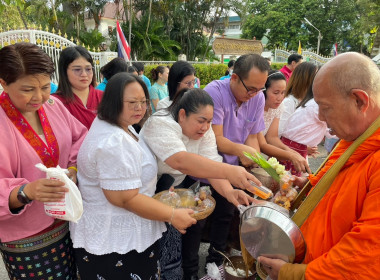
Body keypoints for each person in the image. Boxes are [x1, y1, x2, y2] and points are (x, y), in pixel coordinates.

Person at [259, 52, 380, 279]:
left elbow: (366, 254)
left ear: (360, 100)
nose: (322, 118)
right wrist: (309, 187)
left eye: (326, 107)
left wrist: (293, 273)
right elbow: (341, 188)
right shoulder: (355, 139)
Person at [70, 73, 196, 280]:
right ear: (113, 102)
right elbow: (124, 198)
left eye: (143, 102)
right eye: (131, 102)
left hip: (124, 232)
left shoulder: (122, 126)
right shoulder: (114, 140)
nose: (139, 107)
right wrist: (171, 214)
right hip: (115, 241)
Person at [142, 88, 258, 280]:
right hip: (143, 194)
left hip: (170, 196)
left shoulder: (205, 133)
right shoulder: (161, 123)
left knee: (170, 254)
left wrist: (230, 193)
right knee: (147, 251)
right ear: (182, 115)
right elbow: (180, 160)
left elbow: (212, 167)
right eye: (201, 121)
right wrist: (231, 171)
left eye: (209, 122)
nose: (205, 127)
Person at [0, 42, 87, 280]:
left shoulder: (53, 105)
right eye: (27, 89)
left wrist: (72, 168)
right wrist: (25, 191)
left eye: (46, 86)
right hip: (28, 238)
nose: (38, 97)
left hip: (67, 220)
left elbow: (80, 137)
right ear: (4, 83)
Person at [204, 54, 273, 267]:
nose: (254, 95)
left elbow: (252, 136)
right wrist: (242, 150)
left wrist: (253, 160)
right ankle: (194, 262)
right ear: (234, 78)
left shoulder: (257, 98)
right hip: (209, 162)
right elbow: (216, 140)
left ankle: (216, 258)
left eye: (260, 89)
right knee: (203, 216)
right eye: (250, 89)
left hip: (234, 165)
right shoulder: (214, 93)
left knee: (229, 212)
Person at [259, 70, 310, 174]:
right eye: (276, 93)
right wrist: (290, 155)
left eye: (283, 93)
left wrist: (292, 152)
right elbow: (262, 144)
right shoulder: (255, 107)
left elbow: (272, 137)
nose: (280, 98)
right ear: (264, 90)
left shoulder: (278, 107)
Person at [279, 82, 333, 176]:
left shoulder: (313, 102)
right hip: (293, 149)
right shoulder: (317, 105)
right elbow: (331, 129)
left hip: (296, 147)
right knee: (288, 184)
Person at [55, 46, 103, 130]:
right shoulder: (56, 103)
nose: (84, 74)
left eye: (88, 69)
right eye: (77, 70)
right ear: (64, 72)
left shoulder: (104, 97)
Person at [278, 62, 318, 152]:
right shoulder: (289, 102)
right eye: (316, 76)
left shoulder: (308, 101)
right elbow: (278, 135)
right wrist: (302, 148)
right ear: (306, 79)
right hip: (286, 157)